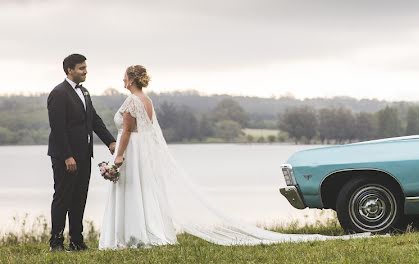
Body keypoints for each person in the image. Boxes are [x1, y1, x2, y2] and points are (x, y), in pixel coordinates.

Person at [99, 65, 366, 249]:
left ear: (131, 79)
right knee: (143, 192)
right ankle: (144, 232)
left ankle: (133, 234)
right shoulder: (147, 100)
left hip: (133, 151)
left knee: (133, 191)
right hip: (143, 152)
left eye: (124, 77)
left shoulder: (132, 101)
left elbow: (126, 132)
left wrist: (119, 157)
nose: (122, 81)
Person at [47, 53, 117, 252]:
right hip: (65, 157)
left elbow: (94, 120)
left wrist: (110, 142)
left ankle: (77, 241)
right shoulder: (59, 93)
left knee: (79, 197)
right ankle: (56, 243)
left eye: (85, 67)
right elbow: (58, 128)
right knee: (62, 197)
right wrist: (68, 155)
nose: (85, 71)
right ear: (69, 70)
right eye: (81, 68)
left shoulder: (84, 92)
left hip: (85, 155)